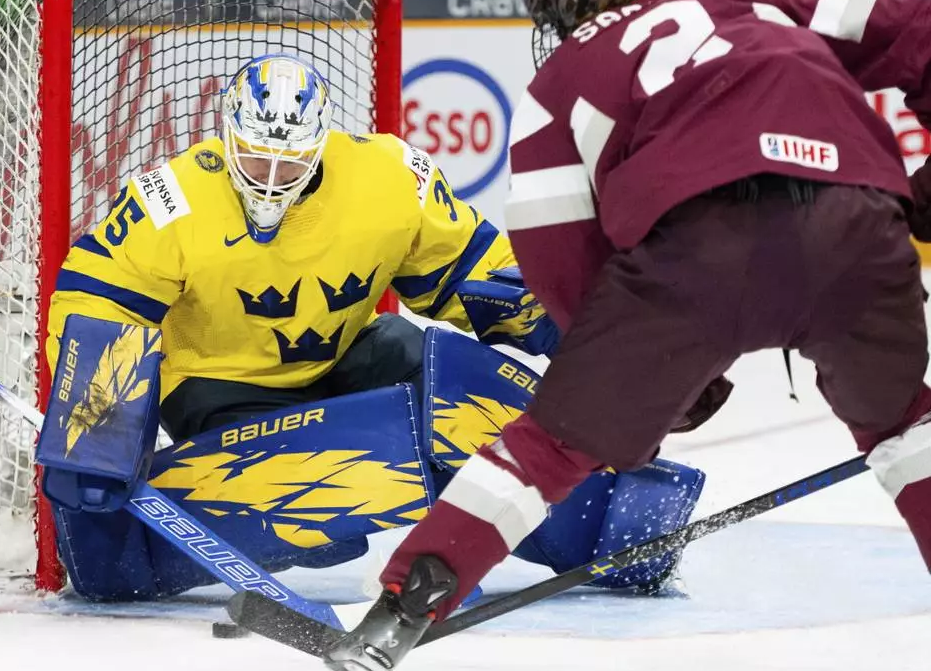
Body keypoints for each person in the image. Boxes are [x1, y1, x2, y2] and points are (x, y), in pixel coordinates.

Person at [324, 0, 931, 671]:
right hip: (861, 230)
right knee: (908, 428)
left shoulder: (560, 82)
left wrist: (640, 382)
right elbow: (918, 25)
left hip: (701, 255)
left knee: (548, 445)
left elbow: (558, 257)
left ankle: (399, 613)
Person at [46, 52, 558, 442]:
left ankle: (586, 500)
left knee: (449, 376)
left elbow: (468, 263)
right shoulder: (171, 197)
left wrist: (550, 311)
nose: (270, 180)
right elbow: (98, 302)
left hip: (340, 363)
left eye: (289, 161)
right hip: (216, 386)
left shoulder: (390, 176)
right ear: (227, 137)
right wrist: (95, 424)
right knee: (313, 507)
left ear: (318, 146)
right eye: (254, 157)